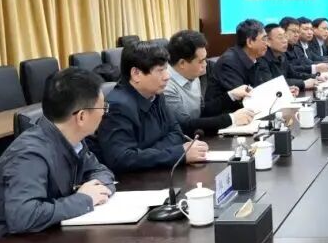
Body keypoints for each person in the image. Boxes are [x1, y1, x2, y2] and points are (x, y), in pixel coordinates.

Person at [0, 68, 116, 243]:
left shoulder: (72, 139)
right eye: (102, 108)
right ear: (82, 116)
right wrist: (85, 199)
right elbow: (23, 216)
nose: (104, 114)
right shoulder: (30, 153)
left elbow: (99, 170)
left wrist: (100, 189)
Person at [95, 40, 209, 172]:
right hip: (132, 181)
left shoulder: (156, 93)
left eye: (166, 69)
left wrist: (146, 153)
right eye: (160, 70)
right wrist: (176, 153)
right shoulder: (118, 106)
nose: (167, 76)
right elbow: (121, 158)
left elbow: (176, 133)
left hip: (155, 172)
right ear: (136, 74)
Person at [164, 30, 255, 135]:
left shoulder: (191, 75)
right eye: (201, 61)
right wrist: (232, 119)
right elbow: (186, 125)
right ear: (182, 63)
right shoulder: (166, 87)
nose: (206, 64)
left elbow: (203, 111)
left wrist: (231, 95)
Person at [204, 19, 271, 114]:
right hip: (226, 116)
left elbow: (263, 85)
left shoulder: (258, 57)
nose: (267, 43)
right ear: (250, 42)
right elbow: (244, 98)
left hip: (247, 112)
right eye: (264, 39)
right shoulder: (229, 62)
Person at [260, 23, 314, 92]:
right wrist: (303, 83)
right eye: (280, 38)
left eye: (285, 37)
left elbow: (293, 74)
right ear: (268, 41)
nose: (285, 41)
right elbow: (271, 84)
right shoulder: (262, 58)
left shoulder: (282, 55)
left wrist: (315, 77)